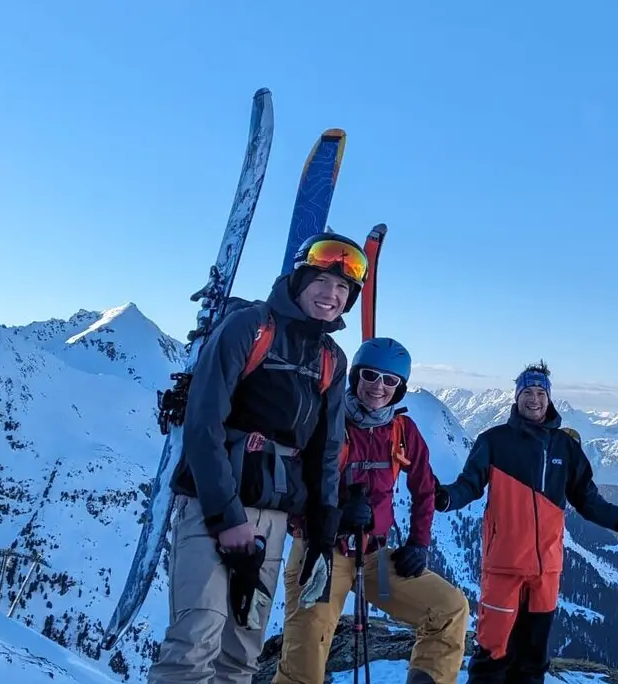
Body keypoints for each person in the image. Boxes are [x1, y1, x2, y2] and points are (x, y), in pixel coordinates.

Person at [147, 232, 370, 684]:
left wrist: (323, 532)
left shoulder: (332, 358)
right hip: (214, 507)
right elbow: (203, 424)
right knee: (194, 645)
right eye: (323, 282)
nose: (332, 295)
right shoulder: (249, 327)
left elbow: (326, 450)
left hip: (273, 516)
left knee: (240, 655)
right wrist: (227, 517)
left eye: (343, 289)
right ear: (300, 278)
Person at [433, 361, 618, 684]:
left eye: (540, 393)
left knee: (533, 659)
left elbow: (588, 501)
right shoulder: (494, 440)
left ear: (549, 399)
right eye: (527, 392)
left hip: (546, 571)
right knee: (492, 654)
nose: (534, 399)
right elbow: (470, 483)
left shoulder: (566, 448)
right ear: (516, 396)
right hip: (503, 567)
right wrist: (448, 497)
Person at [273, 337, 470, 684]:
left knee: (449, 609)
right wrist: (335, 516)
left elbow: (424, 488)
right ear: (355, 377)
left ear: (400, 388)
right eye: (370, 375)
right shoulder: (325, 419)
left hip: (373, 554)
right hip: (321, 553)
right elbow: (289, 486)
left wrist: (419, 543)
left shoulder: (402, 431)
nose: (379, 387)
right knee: (304, 660)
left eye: (390, 381)